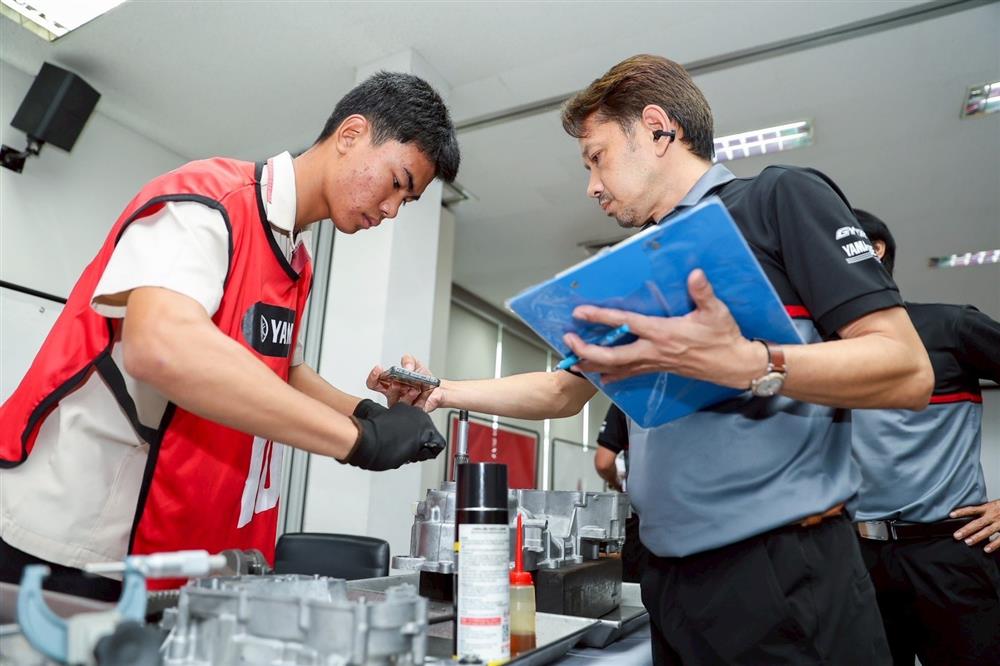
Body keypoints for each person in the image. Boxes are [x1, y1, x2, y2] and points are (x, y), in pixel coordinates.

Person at [372, 54, 934, 664]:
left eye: (597, 157)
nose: (592, 185)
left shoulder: (777, 200)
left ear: (659, 129)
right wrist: (443, 391)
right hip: (672, 584)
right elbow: (562, 393)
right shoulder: (632, 264)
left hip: (780, 574)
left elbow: (908, 370)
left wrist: (751, 363)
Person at [0, 72, 458, 598]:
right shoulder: (209, 197)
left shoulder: (297, 256)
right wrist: (359, 442)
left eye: (408, 201)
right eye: (397, 183)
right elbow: (161, 347)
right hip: (68, 534)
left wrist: (367, 413)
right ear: (351, 134)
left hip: (161, 545)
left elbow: (279, 370)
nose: (392, 210)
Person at [852, 209, 1000, 665]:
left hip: (949, 552)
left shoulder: (950, 326)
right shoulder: (818, 350)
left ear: (872, 249)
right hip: (856, 559)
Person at [594, 403, 646, 583]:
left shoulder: (628, 399)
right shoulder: (697, 392)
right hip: (696, 517)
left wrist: (617, 483)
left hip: (641, 517)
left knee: (637, 590)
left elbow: (603, 462)